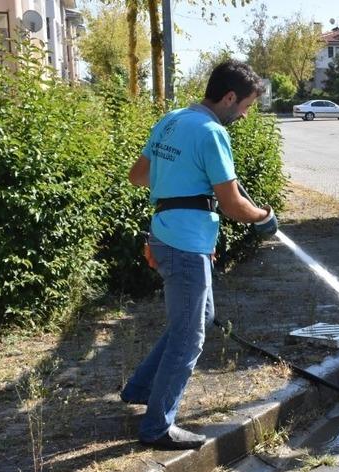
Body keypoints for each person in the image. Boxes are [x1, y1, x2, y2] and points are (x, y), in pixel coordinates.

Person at [123, 60, 278, 450]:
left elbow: (138, 176)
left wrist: (177, 185)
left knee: (198, 319)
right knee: (190, 338)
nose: (243, 115)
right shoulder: (211, 132)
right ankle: (158, 426)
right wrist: (263, 217)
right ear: (229, 97)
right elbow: (231, 203)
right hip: (187, 244)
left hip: (165, 233)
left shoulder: (172, 120)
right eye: (244, 107)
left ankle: (140, 388)